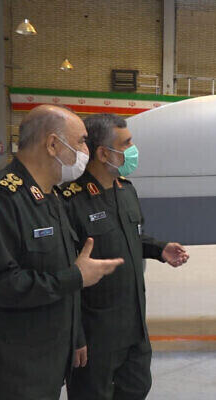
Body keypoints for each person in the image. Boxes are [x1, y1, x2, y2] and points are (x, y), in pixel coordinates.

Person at [0, 105, 124, 400]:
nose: (86, 150)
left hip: (48, 354)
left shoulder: (51, 196)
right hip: (12, 364)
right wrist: (75, 277)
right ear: (52, 144)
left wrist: (76, 336)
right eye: (81, 141)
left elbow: (55, 267)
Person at [63, 113, 189, 400]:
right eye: (127, 143)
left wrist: (159, 249)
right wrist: (75, 336)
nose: (133, 150)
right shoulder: (70, 201)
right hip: (96, 333)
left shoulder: (126, 191)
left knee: (137, 387)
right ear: (103, 153)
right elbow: (65, 273)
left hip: (134, 325)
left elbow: (131, 237)